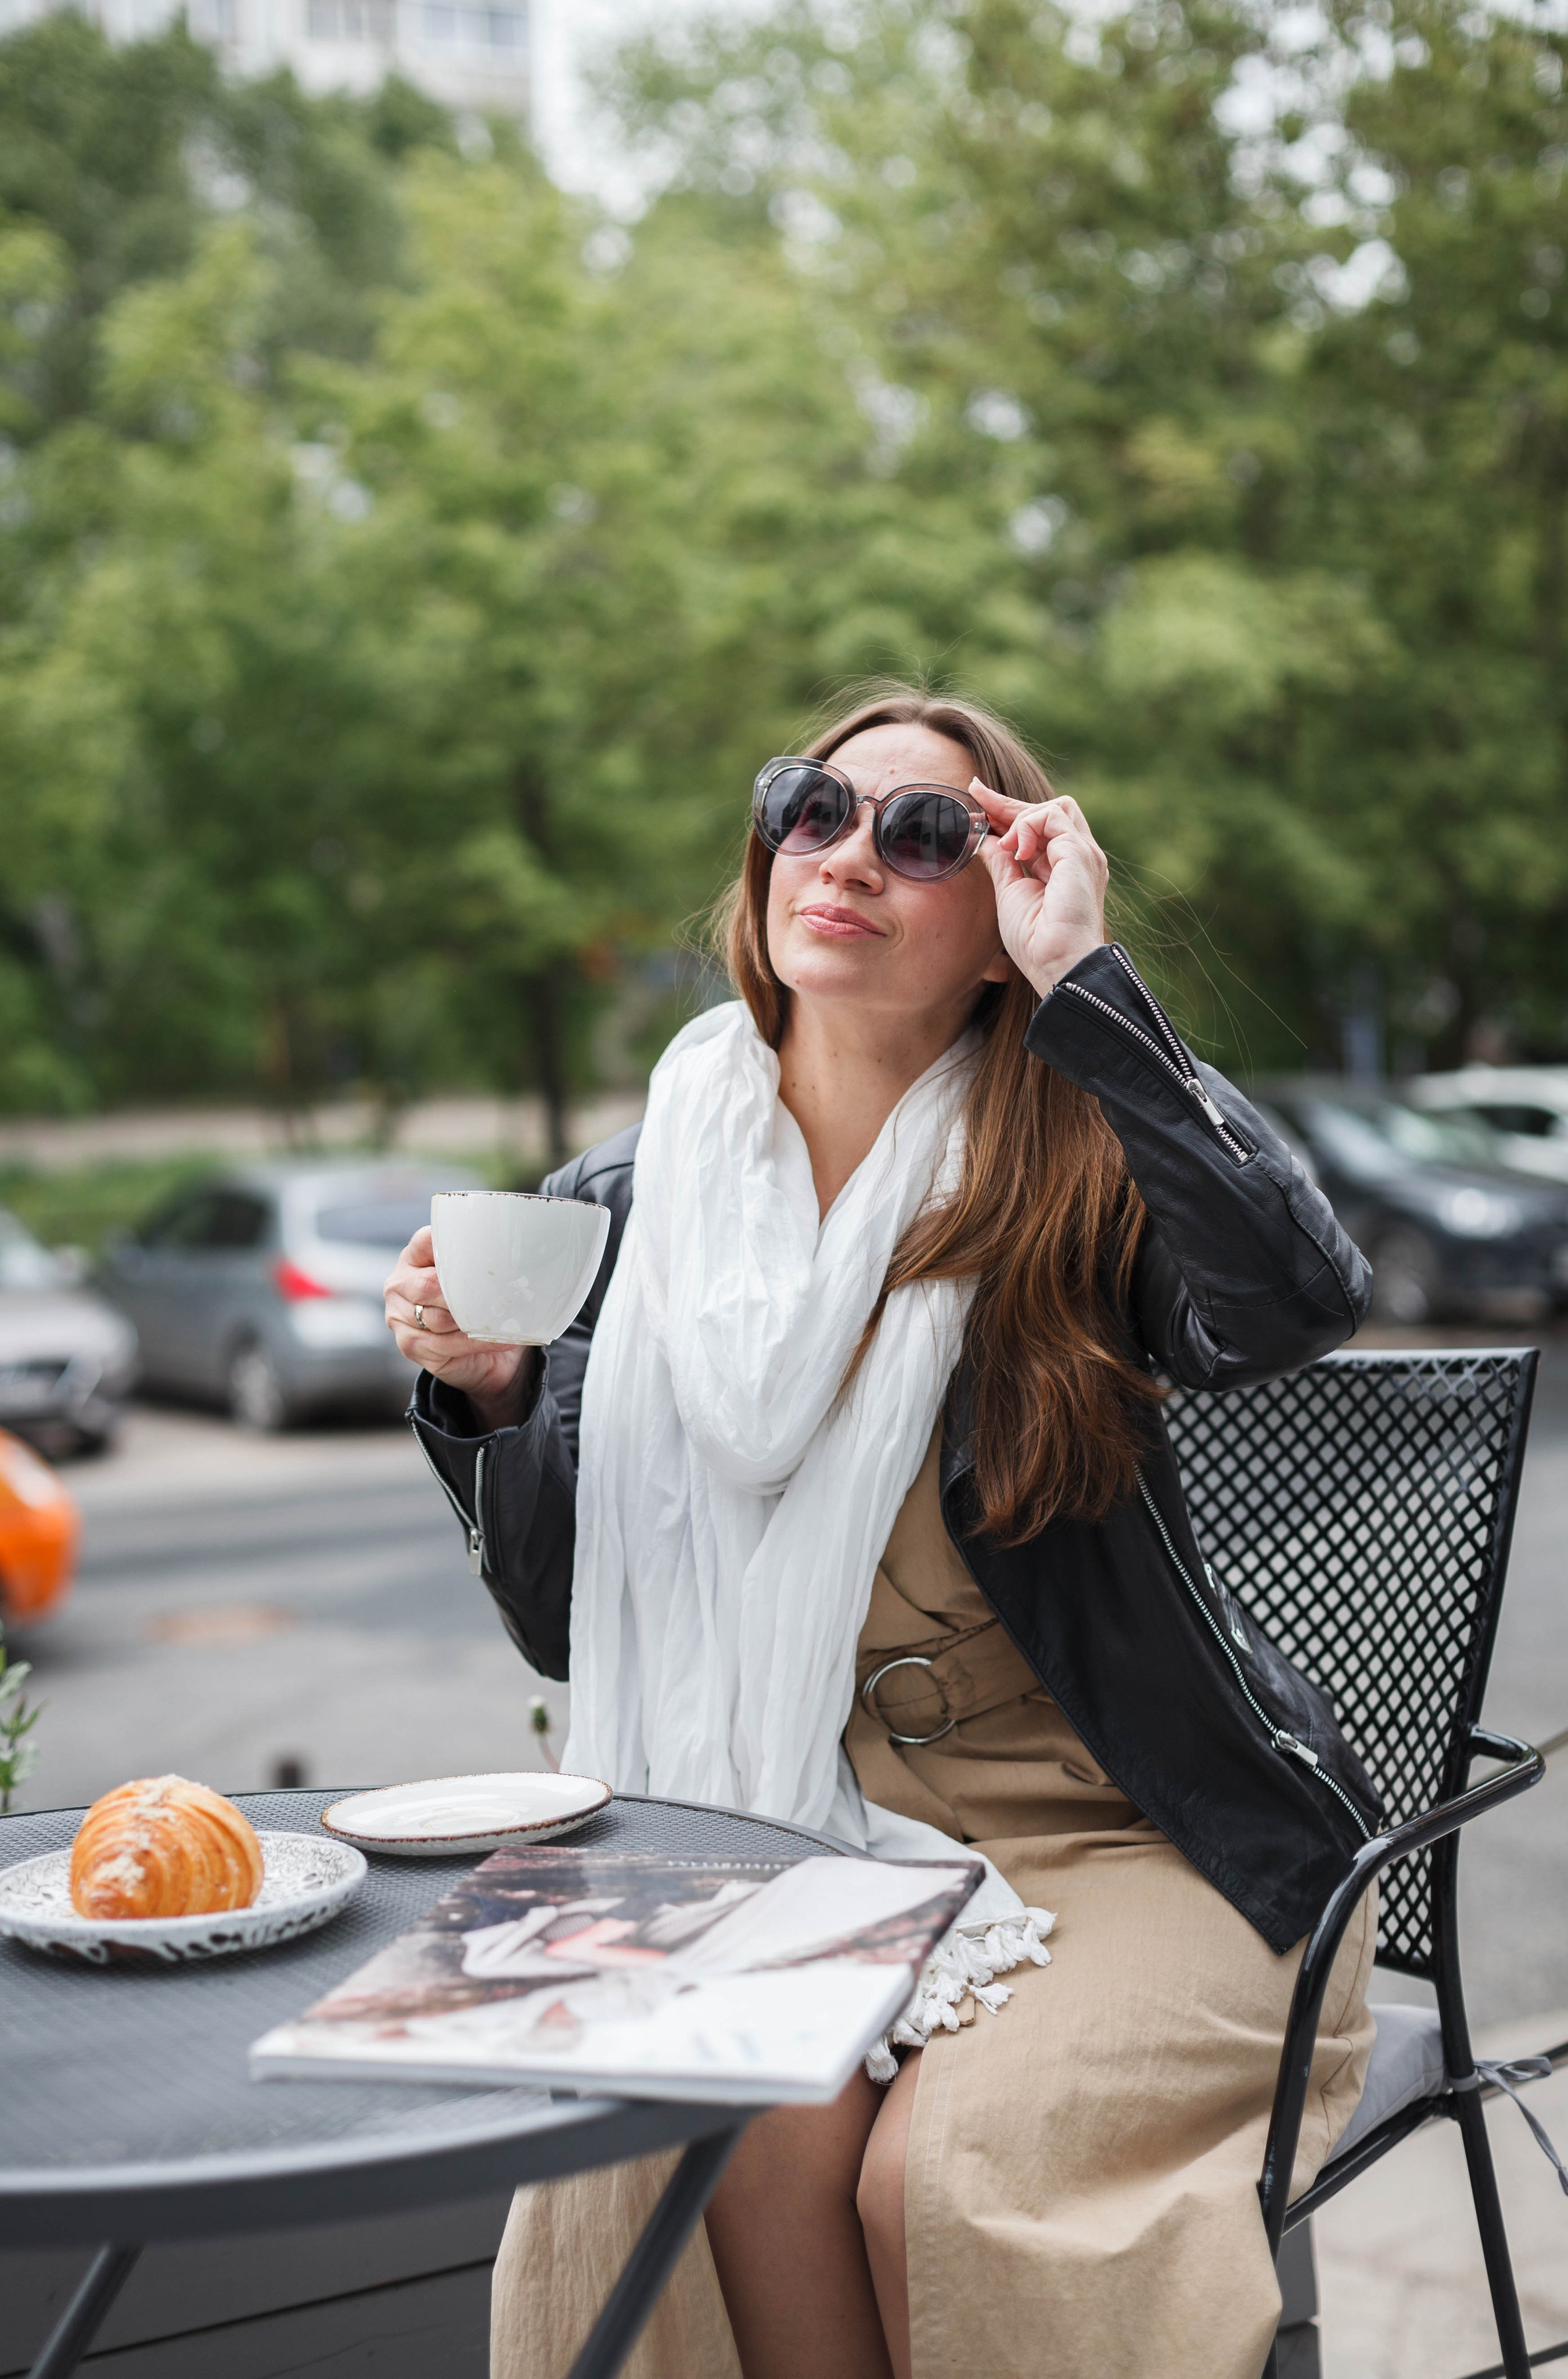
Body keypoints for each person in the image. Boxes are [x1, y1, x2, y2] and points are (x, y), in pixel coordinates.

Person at [385, 686, 1380, 2379]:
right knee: (731, 2122)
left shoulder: (1070, 1161)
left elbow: (1292, 1302)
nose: (845, 857)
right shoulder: (622, 1205)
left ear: (999, 931)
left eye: (923, 837)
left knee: (940, 2179)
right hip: (802, 1823)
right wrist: (488, 1399)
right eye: (813, 809)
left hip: (1139, 1825)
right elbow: (567, 1621)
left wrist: (1091, 988)